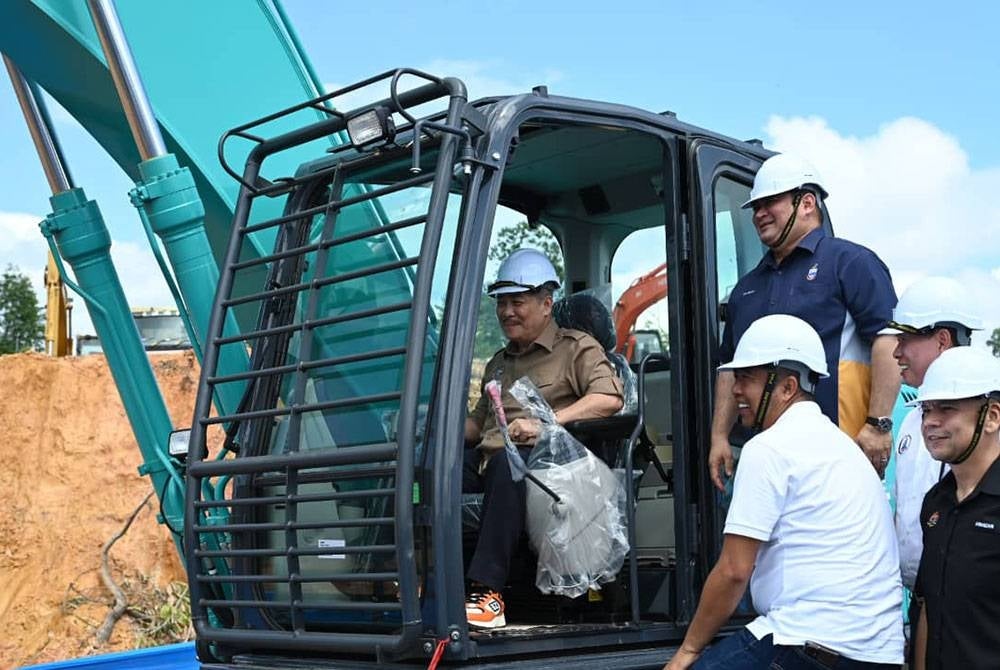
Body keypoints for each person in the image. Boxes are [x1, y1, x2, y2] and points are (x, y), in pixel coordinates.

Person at [666, 314, 903, 670]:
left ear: (788, 387)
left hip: (809, 646)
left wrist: (687, 651)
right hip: (877, 656)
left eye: (747, 378)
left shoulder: (771, 448)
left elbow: (734, 570)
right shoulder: (841, 445)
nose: (735, 390)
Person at [709, 153, 900, 491]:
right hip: (765, 460)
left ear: (808, 202)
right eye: (755, 207)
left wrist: (878, 425)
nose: (759, 214)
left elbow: (890, 342)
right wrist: (720, 436)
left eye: (770, 202)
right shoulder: (746, 288)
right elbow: (729, 368)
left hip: (841, 452)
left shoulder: (851, 263)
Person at [463, 248, 623, 628]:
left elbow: (609, 398)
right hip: (495, 461)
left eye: (517, 302)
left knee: (509, 465)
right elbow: (477, 426)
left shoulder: (576, 348)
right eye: (502, 303)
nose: (506, 312)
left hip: (554, 469)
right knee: (435, 472)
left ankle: (487, 593)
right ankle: (429, 585)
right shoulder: (498, 362)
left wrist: (548, 423)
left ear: (547, 303)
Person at [879, 276, 982, 649]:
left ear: (942, 339)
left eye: (906, 339)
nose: (896, 352)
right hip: (922, 605)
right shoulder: (910, 418)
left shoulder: (989, 425)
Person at [911, 347, 1000, 669]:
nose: (930, 422)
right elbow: (927, 607)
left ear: (992, 417)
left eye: (946, 409)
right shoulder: (936, 503)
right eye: (926, 410)